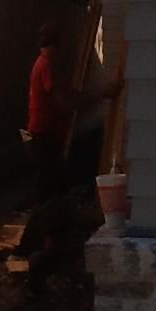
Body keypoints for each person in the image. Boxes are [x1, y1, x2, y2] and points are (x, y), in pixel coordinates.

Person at [26, 21, 120, 205]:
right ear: (56, 45)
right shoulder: (46, 67)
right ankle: (43, 219)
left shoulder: (44, 64)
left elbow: (68, 96)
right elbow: (68, 101)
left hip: (46, 135)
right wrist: (102, 94)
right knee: (50, 186)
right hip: (45, 135)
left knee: (51, 184)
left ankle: (45, 218)